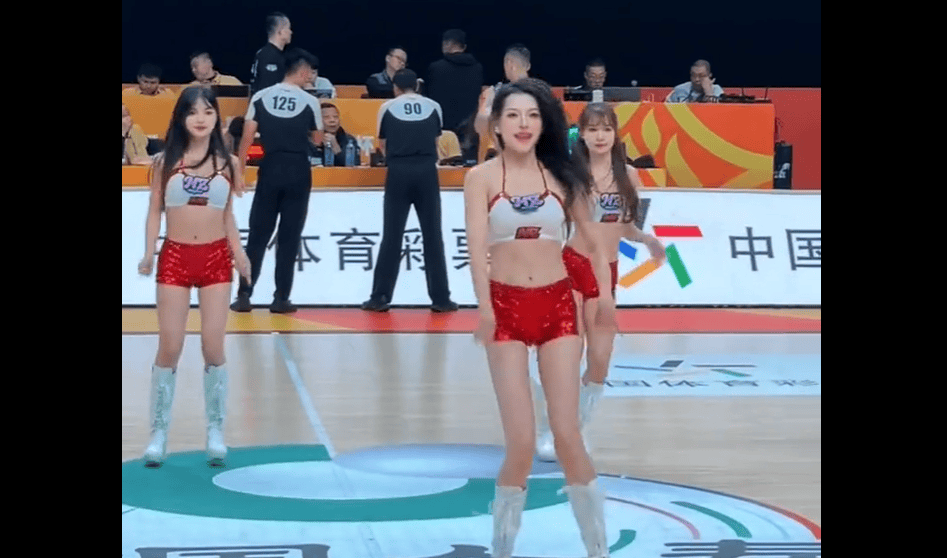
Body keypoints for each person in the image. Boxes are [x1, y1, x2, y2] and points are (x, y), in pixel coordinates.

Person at [463, 78, 617, 558]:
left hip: (557, 308)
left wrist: (605, 300)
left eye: (532, 115)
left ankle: (598, 548)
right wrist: (485, 310)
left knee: (567, 434)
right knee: (521, 443)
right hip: (505, 311)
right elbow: (475, 251)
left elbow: (593, 244)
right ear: (496, 125)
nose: (523, 124)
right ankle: (503, 546)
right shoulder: (481, 178)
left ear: (543, 123)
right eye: (513, 115)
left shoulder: (562, 176)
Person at [534, 103, 667, 463]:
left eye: (606, 128)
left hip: (607, 272)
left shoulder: (630, 176)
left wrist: (647, 240)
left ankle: (576, 427)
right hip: (571, 268)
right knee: (567, 354)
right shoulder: (571, 175)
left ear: (615, 133)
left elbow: (625, 227)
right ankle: (554, 429)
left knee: (600, 360)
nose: (600, 136)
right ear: (581, 134)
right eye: (592, 129)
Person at [136, 86, 251, 468]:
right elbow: (155, 210)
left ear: (217, 117)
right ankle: (158, 432)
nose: (200, 118)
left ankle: (216, 430)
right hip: (175, 257)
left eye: (208, 111)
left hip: (216, 258)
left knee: (213, 345)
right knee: (170, 345)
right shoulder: (164, 161)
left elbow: (227, 215)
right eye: (192, 112)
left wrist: (239, 254)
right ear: (181, 118)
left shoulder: (229, 163)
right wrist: (149, 252)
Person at [231, 48, 324, 314]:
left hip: (270, 168)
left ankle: (244, 295)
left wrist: (240, 172)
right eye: (311, 73)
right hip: (298, 171)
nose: (312, 77)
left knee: (258, 236)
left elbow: (247, 138)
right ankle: (281, 298)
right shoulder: (310, 101)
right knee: (289, 238)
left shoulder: (261, 96)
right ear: (303, 71)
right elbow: (318, 139)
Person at [361, 69, 457, 313]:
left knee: (392, 236)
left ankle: (380, 297)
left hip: (398, 171)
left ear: (395, 87)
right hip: (426, 171)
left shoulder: (387, 107)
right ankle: (441, 299)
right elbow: (436, 142)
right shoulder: (434, 106)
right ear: (417, 85)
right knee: (433, 235)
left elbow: (382, 144)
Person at [425, 29, 483, 159]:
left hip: (443, 131)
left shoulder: (436, 68)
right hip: (470, 132)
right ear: (464, 47)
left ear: (447, 45)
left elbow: (429, 100)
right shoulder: (477, 68)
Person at [475, 44, 531, 160]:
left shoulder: (498, 92)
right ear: (528, 66)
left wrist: (485, 102)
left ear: (509, 63)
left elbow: (479, 125)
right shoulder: (543, 91)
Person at [250, 12, 293, 95]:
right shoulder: (269, 55)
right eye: (289, 28)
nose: (291, 32)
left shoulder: (266, 53)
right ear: (281, 32)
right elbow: (268, 88)